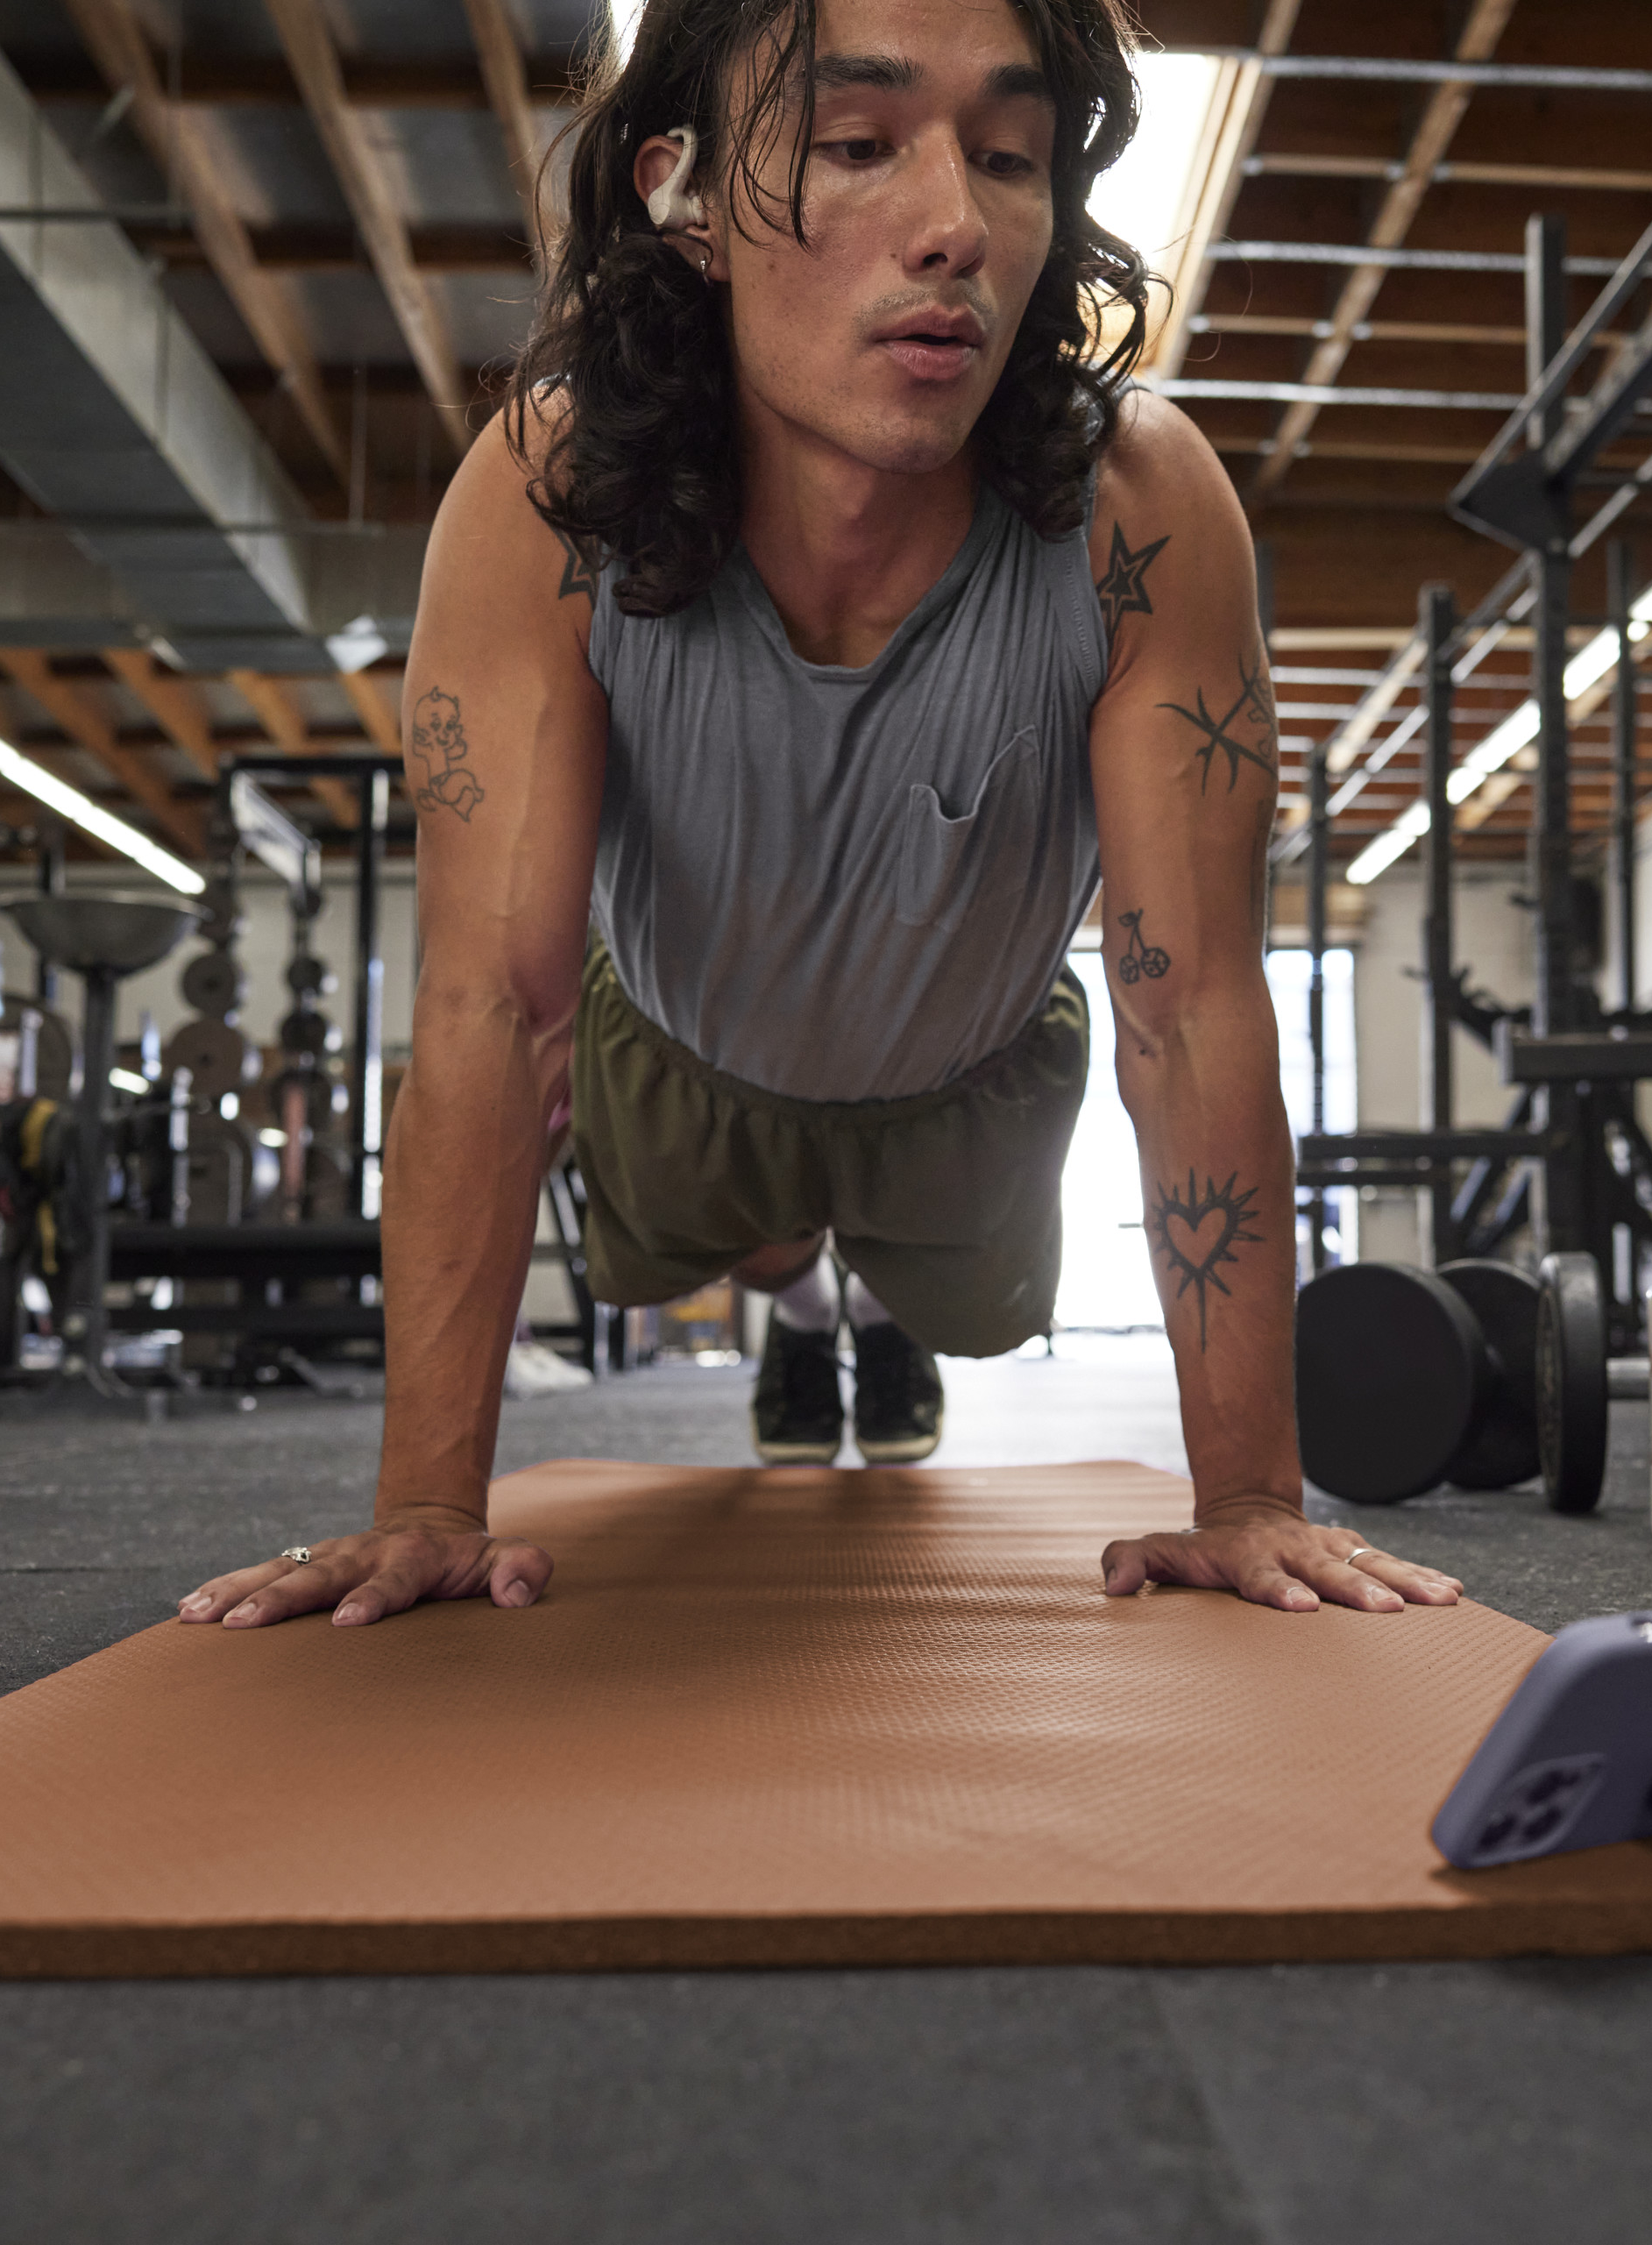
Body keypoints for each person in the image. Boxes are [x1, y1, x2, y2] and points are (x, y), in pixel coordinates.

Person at [177, 0, 1459, 1631]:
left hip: (974, 1083)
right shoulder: (548, 494)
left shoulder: (1141, 509)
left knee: (973, 1313)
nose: (952, 228)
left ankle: (859, 1290)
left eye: (1008, 159)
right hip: (683, 1067)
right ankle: (796, 1298)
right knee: (739, 1226)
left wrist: (1252, 1500)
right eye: (860, 147)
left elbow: (1191, 1005)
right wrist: (427, 1503)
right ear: (686, 196)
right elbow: (494, 1002)